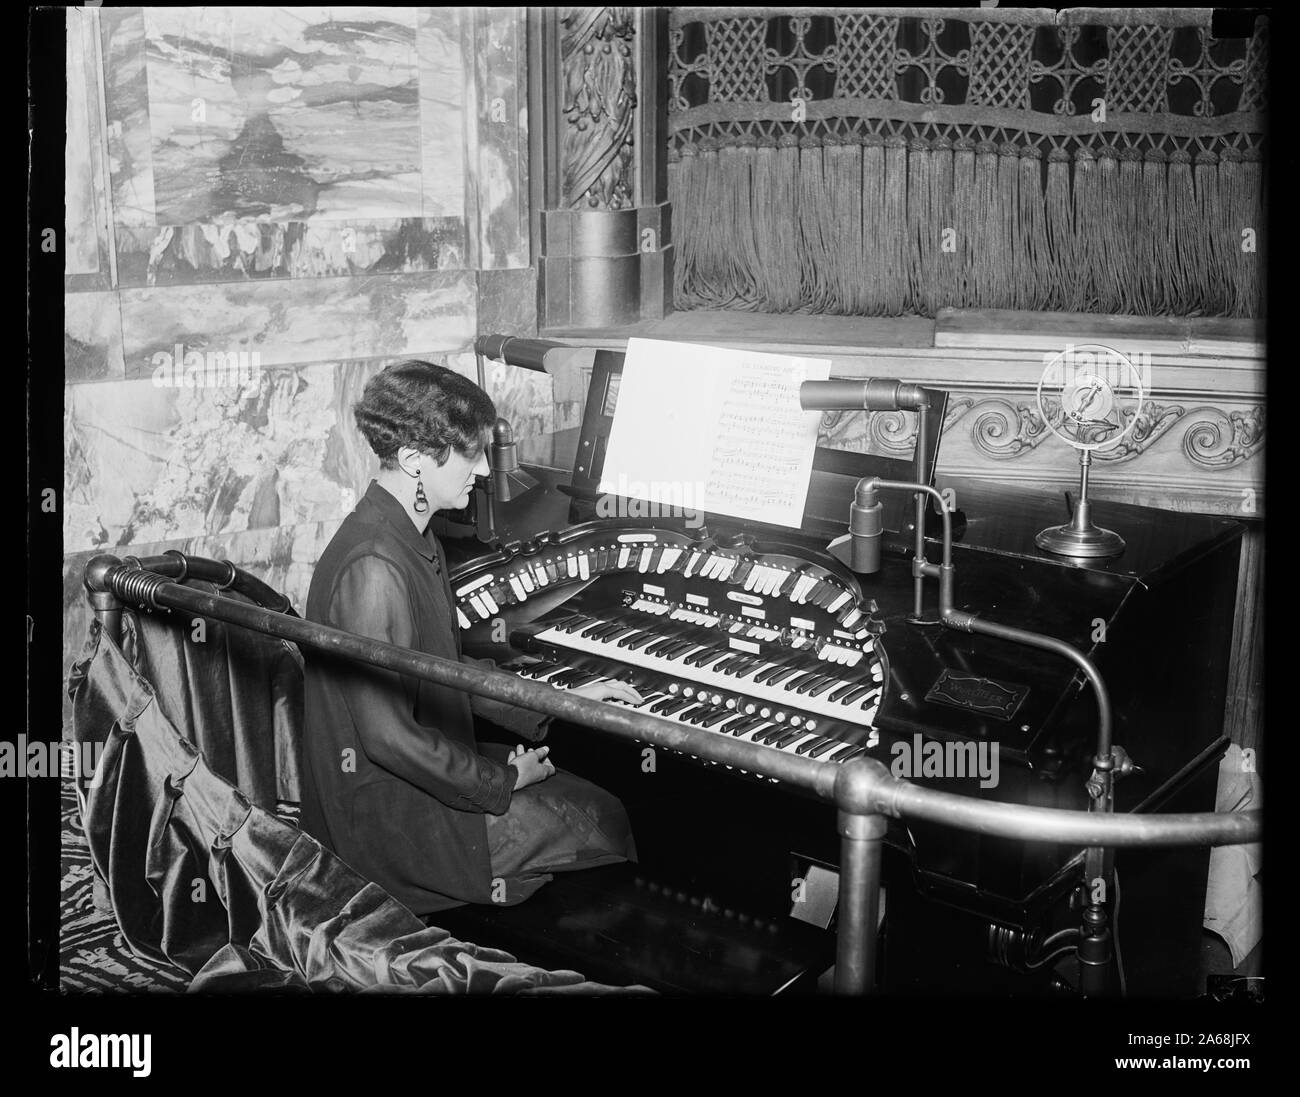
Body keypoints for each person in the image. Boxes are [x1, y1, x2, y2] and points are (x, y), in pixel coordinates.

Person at [300, 360, 642, 916]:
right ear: (413, 459)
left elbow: (449, 670)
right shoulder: (374, 568)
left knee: (596, 801)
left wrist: (563, 699)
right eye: (470, 454)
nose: (484, 470)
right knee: (601, 819)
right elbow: (389, 739)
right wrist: (503, 779)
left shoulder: (410, 531)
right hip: (383, 818)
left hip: (420, 769)